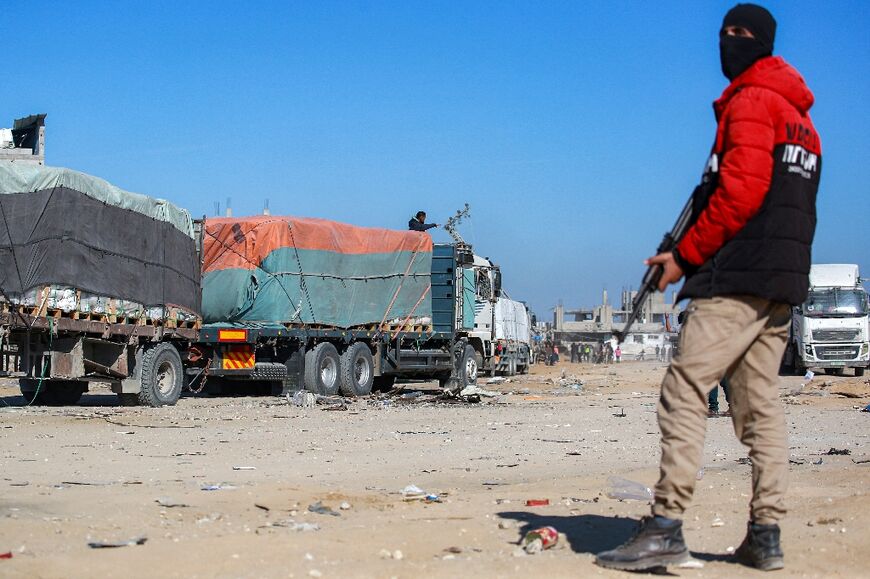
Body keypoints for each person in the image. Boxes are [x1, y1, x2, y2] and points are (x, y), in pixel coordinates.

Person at [595, 4, 820, 573]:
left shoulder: (751, 101)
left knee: (686, 389)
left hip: (738, 276)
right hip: (781, 282)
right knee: (758, 405)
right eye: (724, 32)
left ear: (763, 42)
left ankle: (666, 527)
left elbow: (741, 193)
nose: (728, 41)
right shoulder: (804, 124)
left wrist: (684, 258)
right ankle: (765, 534)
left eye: (740, 33)